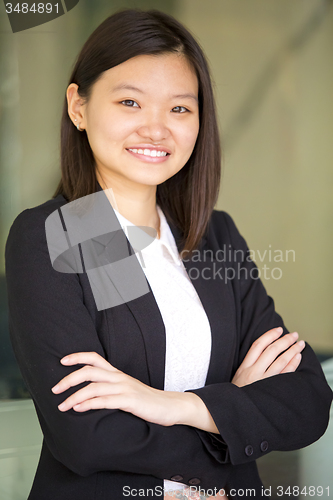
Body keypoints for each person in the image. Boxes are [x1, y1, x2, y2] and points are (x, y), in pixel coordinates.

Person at [5, 8, 332, 500]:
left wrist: (170, 405)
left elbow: (305, 399)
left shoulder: (212, 235)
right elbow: (88, 436)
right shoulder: (62, 233)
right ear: (78, 106)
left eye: (180, 108)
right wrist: (230, 420)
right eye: (130, 102)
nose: (156, 129)